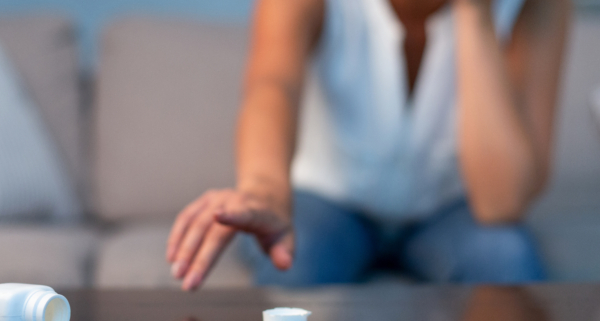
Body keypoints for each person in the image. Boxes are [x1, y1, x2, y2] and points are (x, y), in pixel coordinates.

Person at [167, 0, 571, 291]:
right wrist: (265, 191)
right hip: (329, 201)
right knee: (294, 259)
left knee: (507, 256)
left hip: (451, 208)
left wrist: (474, 14)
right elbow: (273, 85)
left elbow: (501, 202)